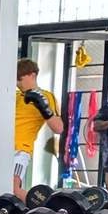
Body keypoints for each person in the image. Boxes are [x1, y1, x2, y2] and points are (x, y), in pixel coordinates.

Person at [12, 58, 64, 202]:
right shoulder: (13, 95)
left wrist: (43, 106)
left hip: (20, 149)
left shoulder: (46, 96)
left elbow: (58, 128)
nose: (18, 83)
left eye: (20, 78)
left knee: (13, 189)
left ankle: (46, 211)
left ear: (32, 75)